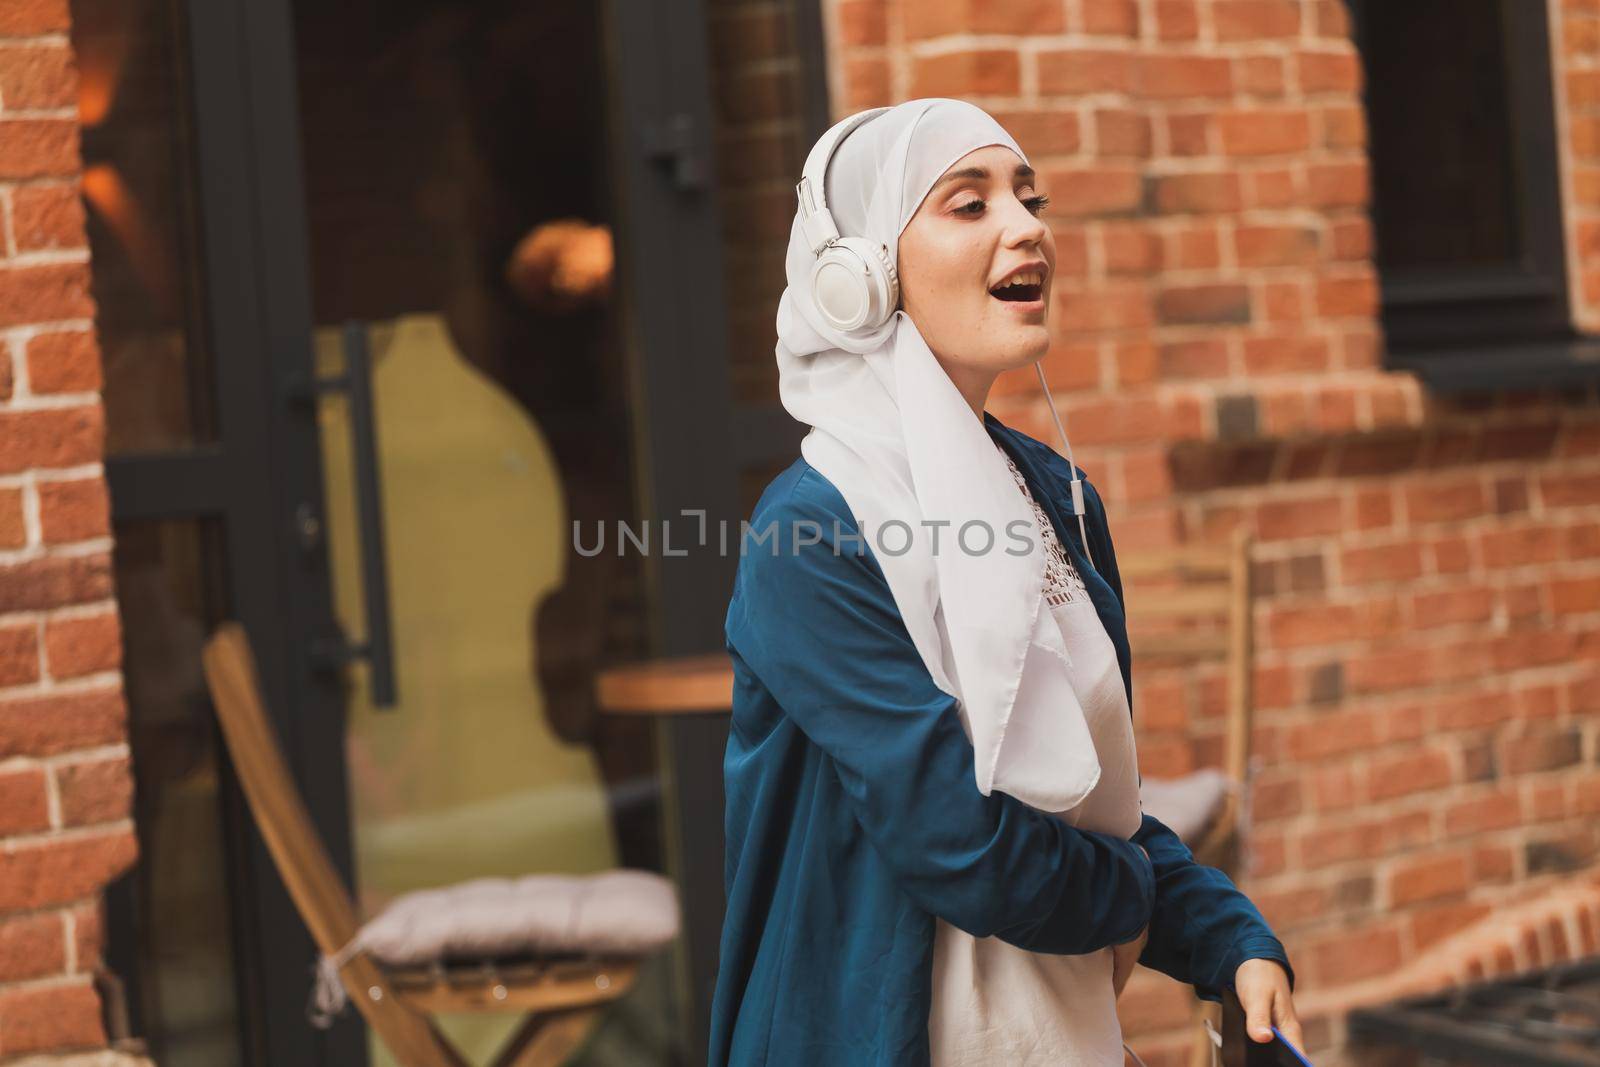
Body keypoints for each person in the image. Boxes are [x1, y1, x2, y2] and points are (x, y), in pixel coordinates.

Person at [709, 99, 1299, 1067]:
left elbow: (1093, 805)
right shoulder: (809, 529)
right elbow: (961, 842)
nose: (1027, 226)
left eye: (1029, 198)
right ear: (859, 275)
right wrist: (1145, 902)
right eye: (967, 203)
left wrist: (1225, 936)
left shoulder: (1056, 497)